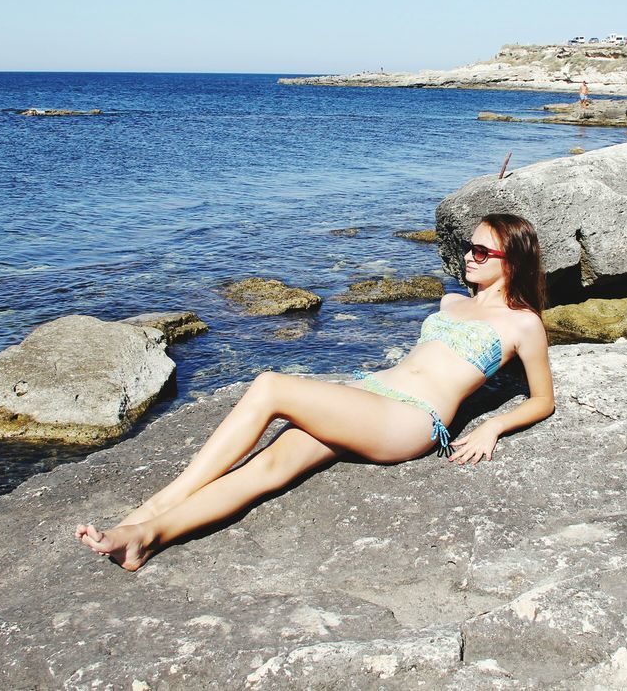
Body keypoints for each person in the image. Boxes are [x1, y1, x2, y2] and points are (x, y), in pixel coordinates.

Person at [76, 213, 555, 570]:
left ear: (512, 260)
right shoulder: (452, 298)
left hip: (410, 420)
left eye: (482, 252)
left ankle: (155, 504)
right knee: (269, 466)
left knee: (269, 387)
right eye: (469, 248)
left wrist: (493, 424)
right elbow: (444, 306)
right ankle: (147, 535)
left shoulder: (522, 324)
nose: (469, 257)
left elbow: (541, 400)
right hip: (369, 397)